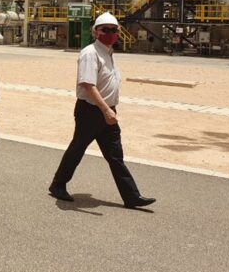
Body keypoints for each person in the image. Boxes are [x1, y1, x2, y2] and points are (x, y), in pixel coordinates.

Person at [48, 12, 156, 209]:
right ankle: (58, 184)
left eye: (114, 30)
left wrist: (110, 109)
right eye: (105, 30)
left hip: (107, 111)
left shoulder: (108, 52)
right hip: (91, 111)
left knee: (115, 156)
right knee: (77, 149)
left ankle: (132, 196)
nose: (110, 33)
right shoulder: (90, 53)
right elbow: (88, 85)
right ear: (96, 32)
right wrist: (106, 110)